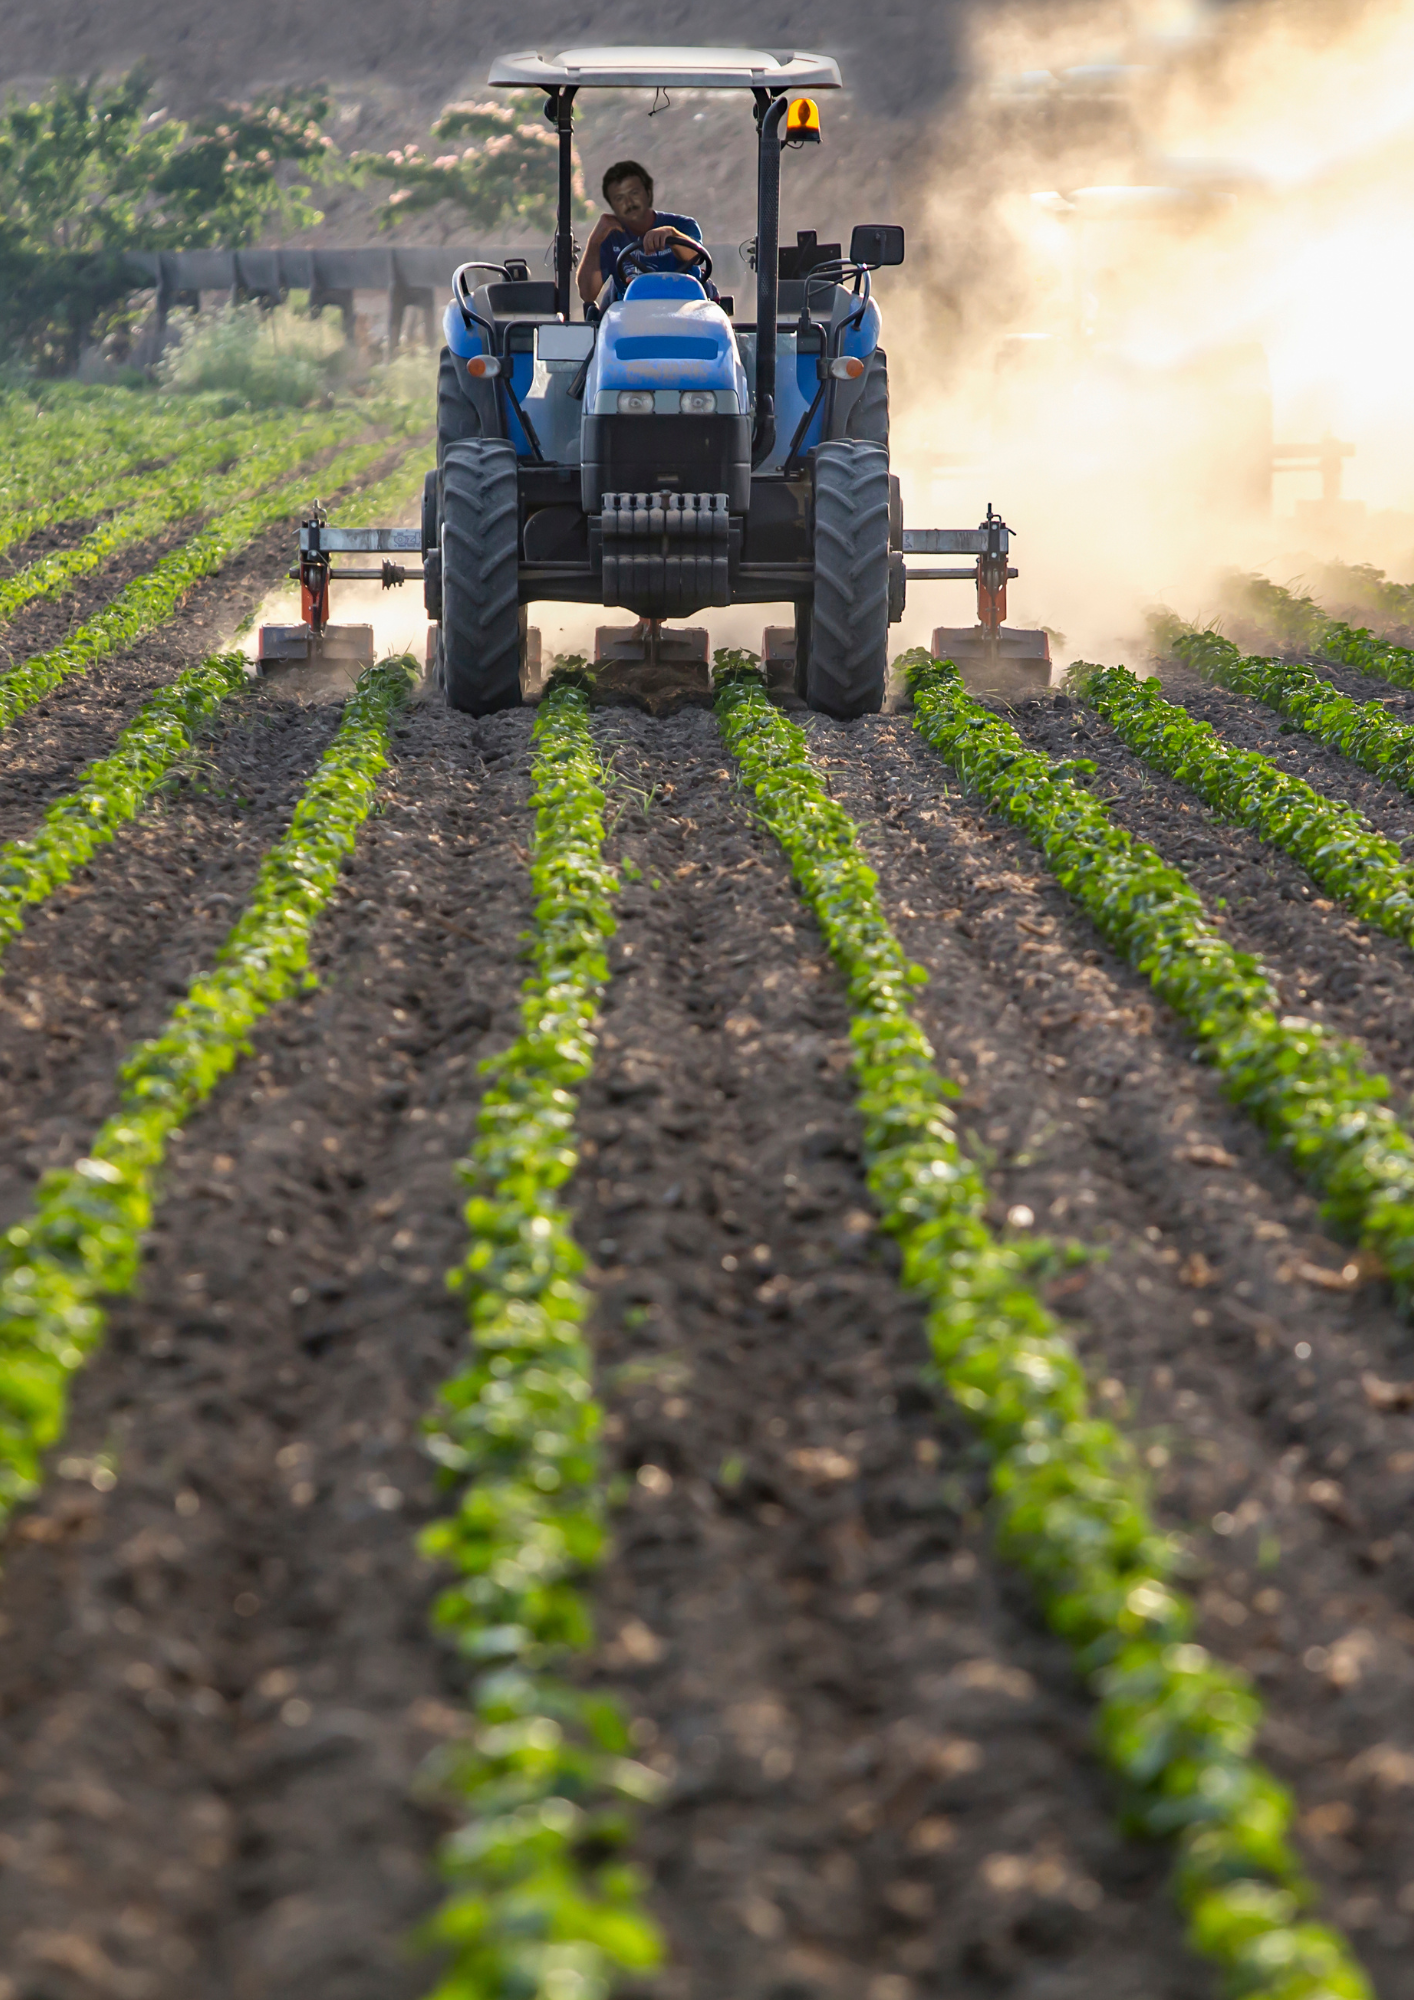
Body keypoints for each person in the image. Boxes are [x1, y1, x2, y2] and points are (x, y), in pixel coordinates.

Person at [577, 160, 706, 306]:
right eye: (619, 198)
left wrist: (672, 235)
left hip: (687, 308)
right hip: (631, 315)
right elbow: (587, 294)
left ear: (648, 194)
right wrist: (595, 241)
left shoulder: (682, 225)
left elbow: (696, 257)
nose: (629, 202)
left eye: (634, 193)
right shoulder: (611, 237)